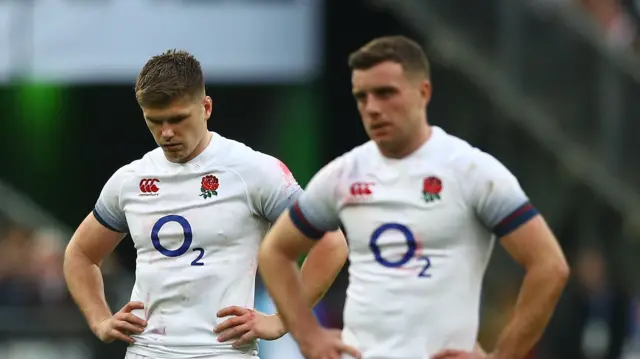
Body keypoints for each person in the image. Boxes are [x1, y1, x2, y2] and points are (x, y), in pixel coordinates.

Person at [257, 36, 570, 359]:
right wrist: (306, 335)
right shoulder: (344, 175)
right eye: (361, 97)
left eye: (385, 93)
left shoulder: (472, 171)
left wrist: (502, 356)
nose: (372, 108)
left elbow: (549, 265)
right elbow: (276, 251)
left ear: (424, 92)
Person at [63, 49, 348, 359]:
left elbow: (331, 244)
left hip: (222, 353)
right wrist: (100, 320)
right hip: (147, 352)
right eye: (154, 121)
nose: (166, 133)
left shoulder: (252, 171)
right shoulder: (131, 180)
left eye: (178, 119)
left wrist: (284, 319)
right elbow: (81, 254)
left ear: (206, 107)